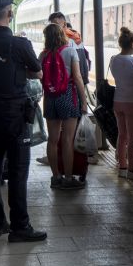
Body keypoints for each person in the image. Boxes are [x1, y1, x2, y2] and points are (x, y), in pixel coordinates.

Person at [0, 0, 47, 241]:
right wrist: (18, 70)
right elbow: (37, 74)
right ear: (10, 12)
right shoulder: (20, 44)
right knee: (17, 171)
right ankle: (20, 226)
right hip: (15, 113)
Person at [39, 23, 89, 189]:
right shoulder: (70, 51)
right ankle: (68, 178)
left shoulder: (43, 54)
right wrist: (84, 101)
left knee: (52, 140)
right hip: (68, 96)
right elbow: (77, 77)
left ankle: (55, 177)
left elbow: (40, 76)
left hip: (50, 99)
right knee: (67, 139)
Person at [110, 27, 133, 180]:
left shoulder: (114, 59)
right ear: (132, 44)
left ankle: (122, 167)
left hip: (118, 101)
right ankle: (132, 170)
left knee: (122, 135)